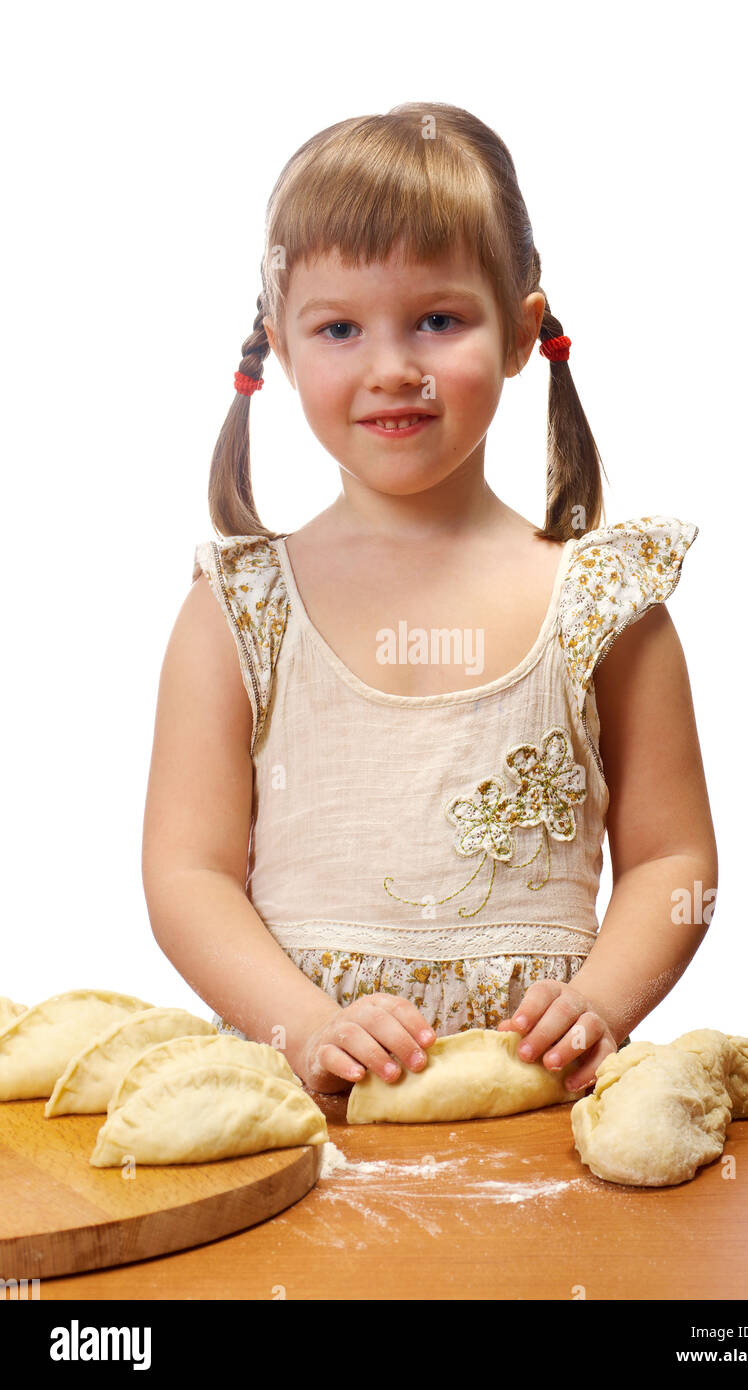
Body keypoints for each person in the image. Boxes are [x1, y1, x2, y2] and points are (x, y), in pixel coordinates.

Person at [141, 102, 716, 1101]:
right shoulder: (238, 609)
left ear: (520, 333)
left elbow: (673, 857)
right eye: (340, 327)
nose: (392, 366)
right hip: (304, 1110)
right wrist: (307, 1026)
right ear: (278, 345)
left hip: (538, 1110)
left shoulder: (606, 602)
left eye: (438, 319)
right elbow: (187, 877)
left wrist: (603, 1003)